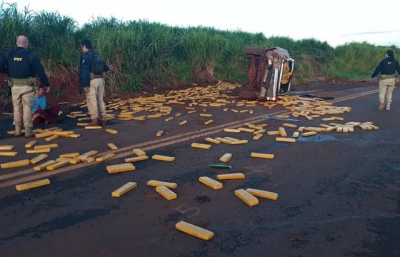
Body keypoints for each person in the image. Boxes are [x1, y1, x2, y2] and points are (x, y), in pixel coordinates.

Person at [0, 35, 50, 138]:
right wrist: (46, 84)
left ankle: (17, 131)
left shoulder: (9, 54)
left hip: (14, 86)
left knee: (17, 108)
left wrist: (9, 71)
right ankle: (28, 131)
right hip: (27, 86)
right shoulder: (30, 55)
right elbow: (40, 71)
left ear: (17, 43)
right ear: (26, 44)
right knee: (27, 108)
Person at [79, 39, 110, 126]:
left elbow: (85, 72)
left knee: (92, 100)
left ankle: (94, 120)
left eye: (82, 47)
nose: (82, 49)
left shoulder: (86, 56)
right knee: (100, 100)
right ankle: (103, 119)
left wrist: (84, 85)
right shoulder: (97, 55)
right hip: (100, 80)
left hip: (92, 81)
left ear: (85, 46)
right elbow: (106, 68)